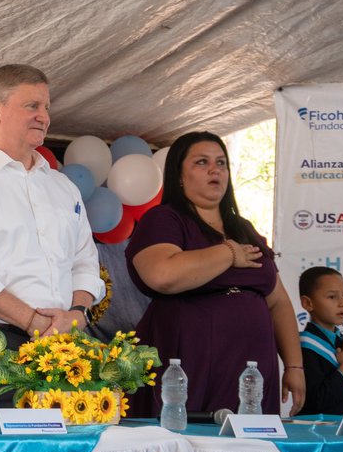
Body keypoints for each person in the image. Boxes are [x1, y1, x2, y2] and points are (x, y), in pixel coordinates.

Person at [0, 64, 105, 411]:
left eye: (47, 107)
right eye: (32, 106)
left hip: (65, 345)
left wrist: (76, 313)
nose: (44, 117)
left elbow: (86, 261)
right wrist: (33, 321)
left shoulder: (62, 186)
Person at [125, 131, 306, 416]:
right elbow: (161, 274)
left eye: (221, 163)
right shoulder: (164, 219)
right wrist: (227, 254)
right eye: (201, 162)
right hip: (188, 363)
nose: (214, 169)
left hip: (252, 370)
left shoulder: (244, 228)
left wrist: (294, 366)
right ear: (179, 175)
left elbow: (278, 301)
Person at [297, 266, 343, 416]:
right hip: (314, 431)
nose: (342, 303)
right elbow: (316, 403)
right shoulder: (303, 346)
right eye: (332, 297)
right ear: (308, 303)